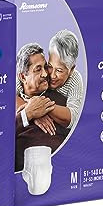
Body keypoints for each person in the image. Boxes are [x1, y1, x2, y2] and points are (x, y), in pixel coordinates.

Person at [15, 43, 69, 172]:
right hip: (18, 172)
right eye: (38, 69)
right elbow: (0, 137)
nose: (45, 74)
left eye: (45, 67)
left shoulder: (60, 101)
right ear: (22, 77)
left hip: (57, 170)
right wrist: (28, 114)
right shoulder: (8, 105)